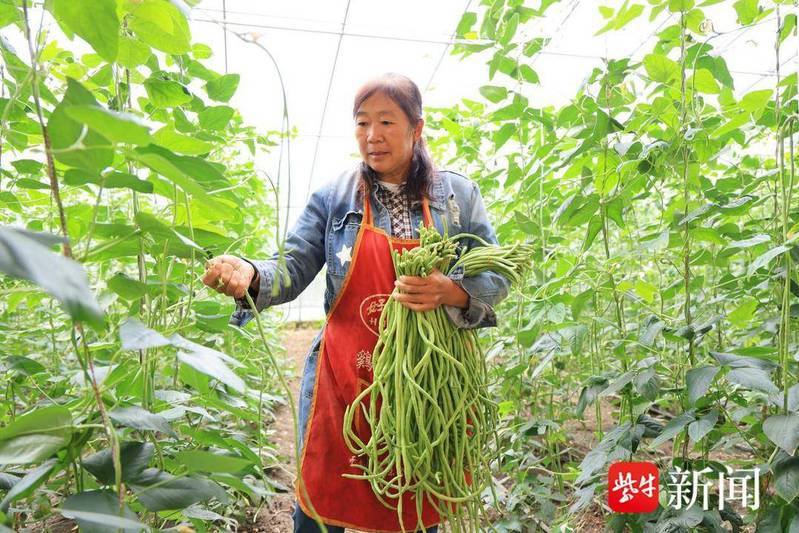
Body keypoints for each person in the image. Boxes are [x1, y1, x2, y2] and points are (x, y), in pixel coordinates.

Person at [202, 73, 509, 533]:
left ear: (416, 128)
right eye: (362, 122)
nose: (372, 135)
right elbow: (293, 264)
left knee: (417, 489)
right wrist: (250, 273)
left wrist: (453, 291)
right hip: (345, 376)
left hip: (427, 377)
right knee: (321, 496)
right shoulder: (336, 196)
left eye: (386, 121)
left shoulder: (456, 196)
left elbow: (497, 271)